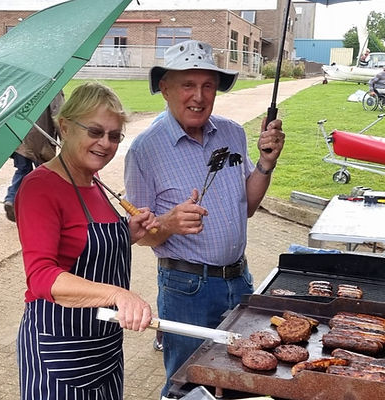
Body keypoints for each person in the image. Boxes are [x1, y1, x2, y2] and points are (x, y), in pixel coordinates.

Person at [123, 40, 285, 399]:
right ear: (164, 88)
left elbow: (247, 207)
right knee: (188, 380)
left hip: (239, 279)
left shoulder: (232, 133)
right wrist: (168, 223)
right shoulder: (144, 150)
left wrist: (265, 164)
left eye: (207, 85)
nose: (199, 96)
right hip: (186, 288)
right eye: (187, 85)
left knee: (242, 378)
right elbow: (140, 234)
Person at [14, 83, 160, 400]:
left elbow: (86, 244)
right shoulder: (40, 187)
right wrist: (118, 294)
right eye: (95, 131)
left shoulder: (95, 183)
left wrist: (127, 233)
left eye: (114, 136)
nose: (105, 144)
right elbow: (40, 277)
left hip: (105, 348)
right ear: (64, 126)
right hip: (60, 352)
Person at [4, 91, 65, 222]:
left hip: (20, 137)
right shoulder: (54, 87)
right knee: (44, 174)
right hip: (41, 140)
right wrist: (65, 140)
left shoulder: (28, 82)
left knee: (22, 170)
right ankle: (42, 207)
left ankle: (12, 198)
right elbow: (58, 115)